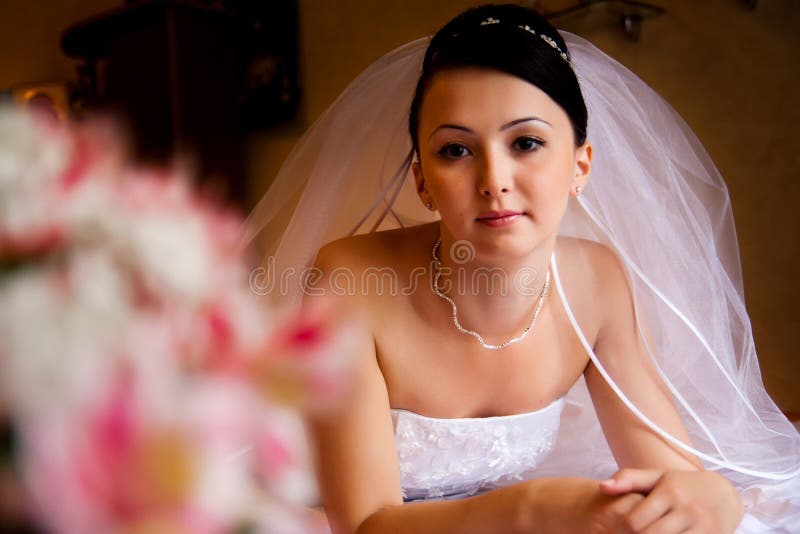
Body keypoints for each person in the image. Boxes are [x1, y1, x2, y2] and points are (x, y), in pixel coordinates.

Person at [244, 4, 800, 533]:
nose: (494, 179)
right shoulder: (347, 279)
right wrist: (533, 508)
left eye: (527, 142)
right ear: (422, 181)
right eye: (456, 151)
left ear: (580, 165)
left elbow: (676, 479)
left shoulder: (597, 282)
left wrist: (714, 496)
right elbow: (364, 524)